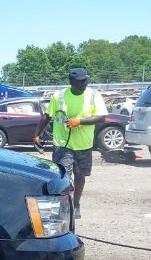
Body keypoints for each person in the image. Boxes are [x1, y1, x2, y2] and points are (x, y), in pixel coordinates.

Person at [33, 68, 107, 219]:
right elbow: (47, 117)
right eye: (80, 82)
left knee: (80, 176)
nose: (84, 84)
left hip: (84, 145)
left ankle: (76, 203)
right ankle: (62, 206)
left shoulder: (93, 95)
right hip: (62, 145)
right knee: (63, 177)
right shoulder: (59, 96)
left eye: (86, 80)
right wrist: (36, 134)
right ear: (72, 82)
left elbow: (102, 117)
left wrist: (80, 121)